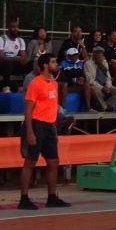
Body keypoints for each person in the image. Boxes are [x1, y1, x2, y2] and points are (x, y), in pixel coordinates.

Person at [18, 53, 70, 210]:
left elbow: (52, 109)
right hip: (36, 124)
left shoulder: (53, 83)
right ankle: (24, 198)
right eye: (53, 62)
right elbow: (28, 109)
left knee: (53, 162)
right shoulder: (35, 83)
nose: (56, 64)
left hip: (49, 125)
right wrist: (29, 131)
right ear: (45, 65)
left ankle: (52, 197)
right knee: (30, 162)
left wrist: (54, 129)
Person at [83, 46, 116, 112]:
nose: (100, 55)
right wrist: (102, 87)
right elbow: (89, 80)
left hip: (105, 84)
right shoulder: (88, 64)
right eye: (98, 53)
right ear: (94, 54)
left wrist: (107, 86)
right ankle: (105, 108)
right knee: (97, 91)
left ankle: (106, 106)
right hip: (95, 85)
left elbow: (108, 77)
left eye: (101, 53)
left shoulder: (104, 62)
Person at [57, 48, 93, 112]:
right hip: (67, 86)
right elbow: (61, 77)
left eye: (76, 55)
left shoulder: (79, 63)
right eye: (73, 55)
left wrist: (83, 79)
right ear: (68, 56)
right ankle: (62, 107)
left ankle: (88, 108)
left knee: (87, 85)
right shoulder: (62, 63)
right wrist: (74, 80)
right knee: (64, 84)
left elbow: (82, 74)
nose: (75, 57)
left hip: (77, 86)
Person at [1, 19, 28, 92]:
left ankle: (26, 86)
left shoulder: (20, 40)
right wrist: (15, 59)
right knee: (7, 62)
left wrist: (23, 60)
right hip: (2, 65)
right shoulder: (2, 39)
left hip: (14, 65)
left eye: (17, 27)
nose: (16, 29)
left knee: (31, 64)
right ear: (8, 28)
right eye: (13, 27)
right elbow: (1, 57)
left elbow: (23, 56)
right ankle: (6, 87)